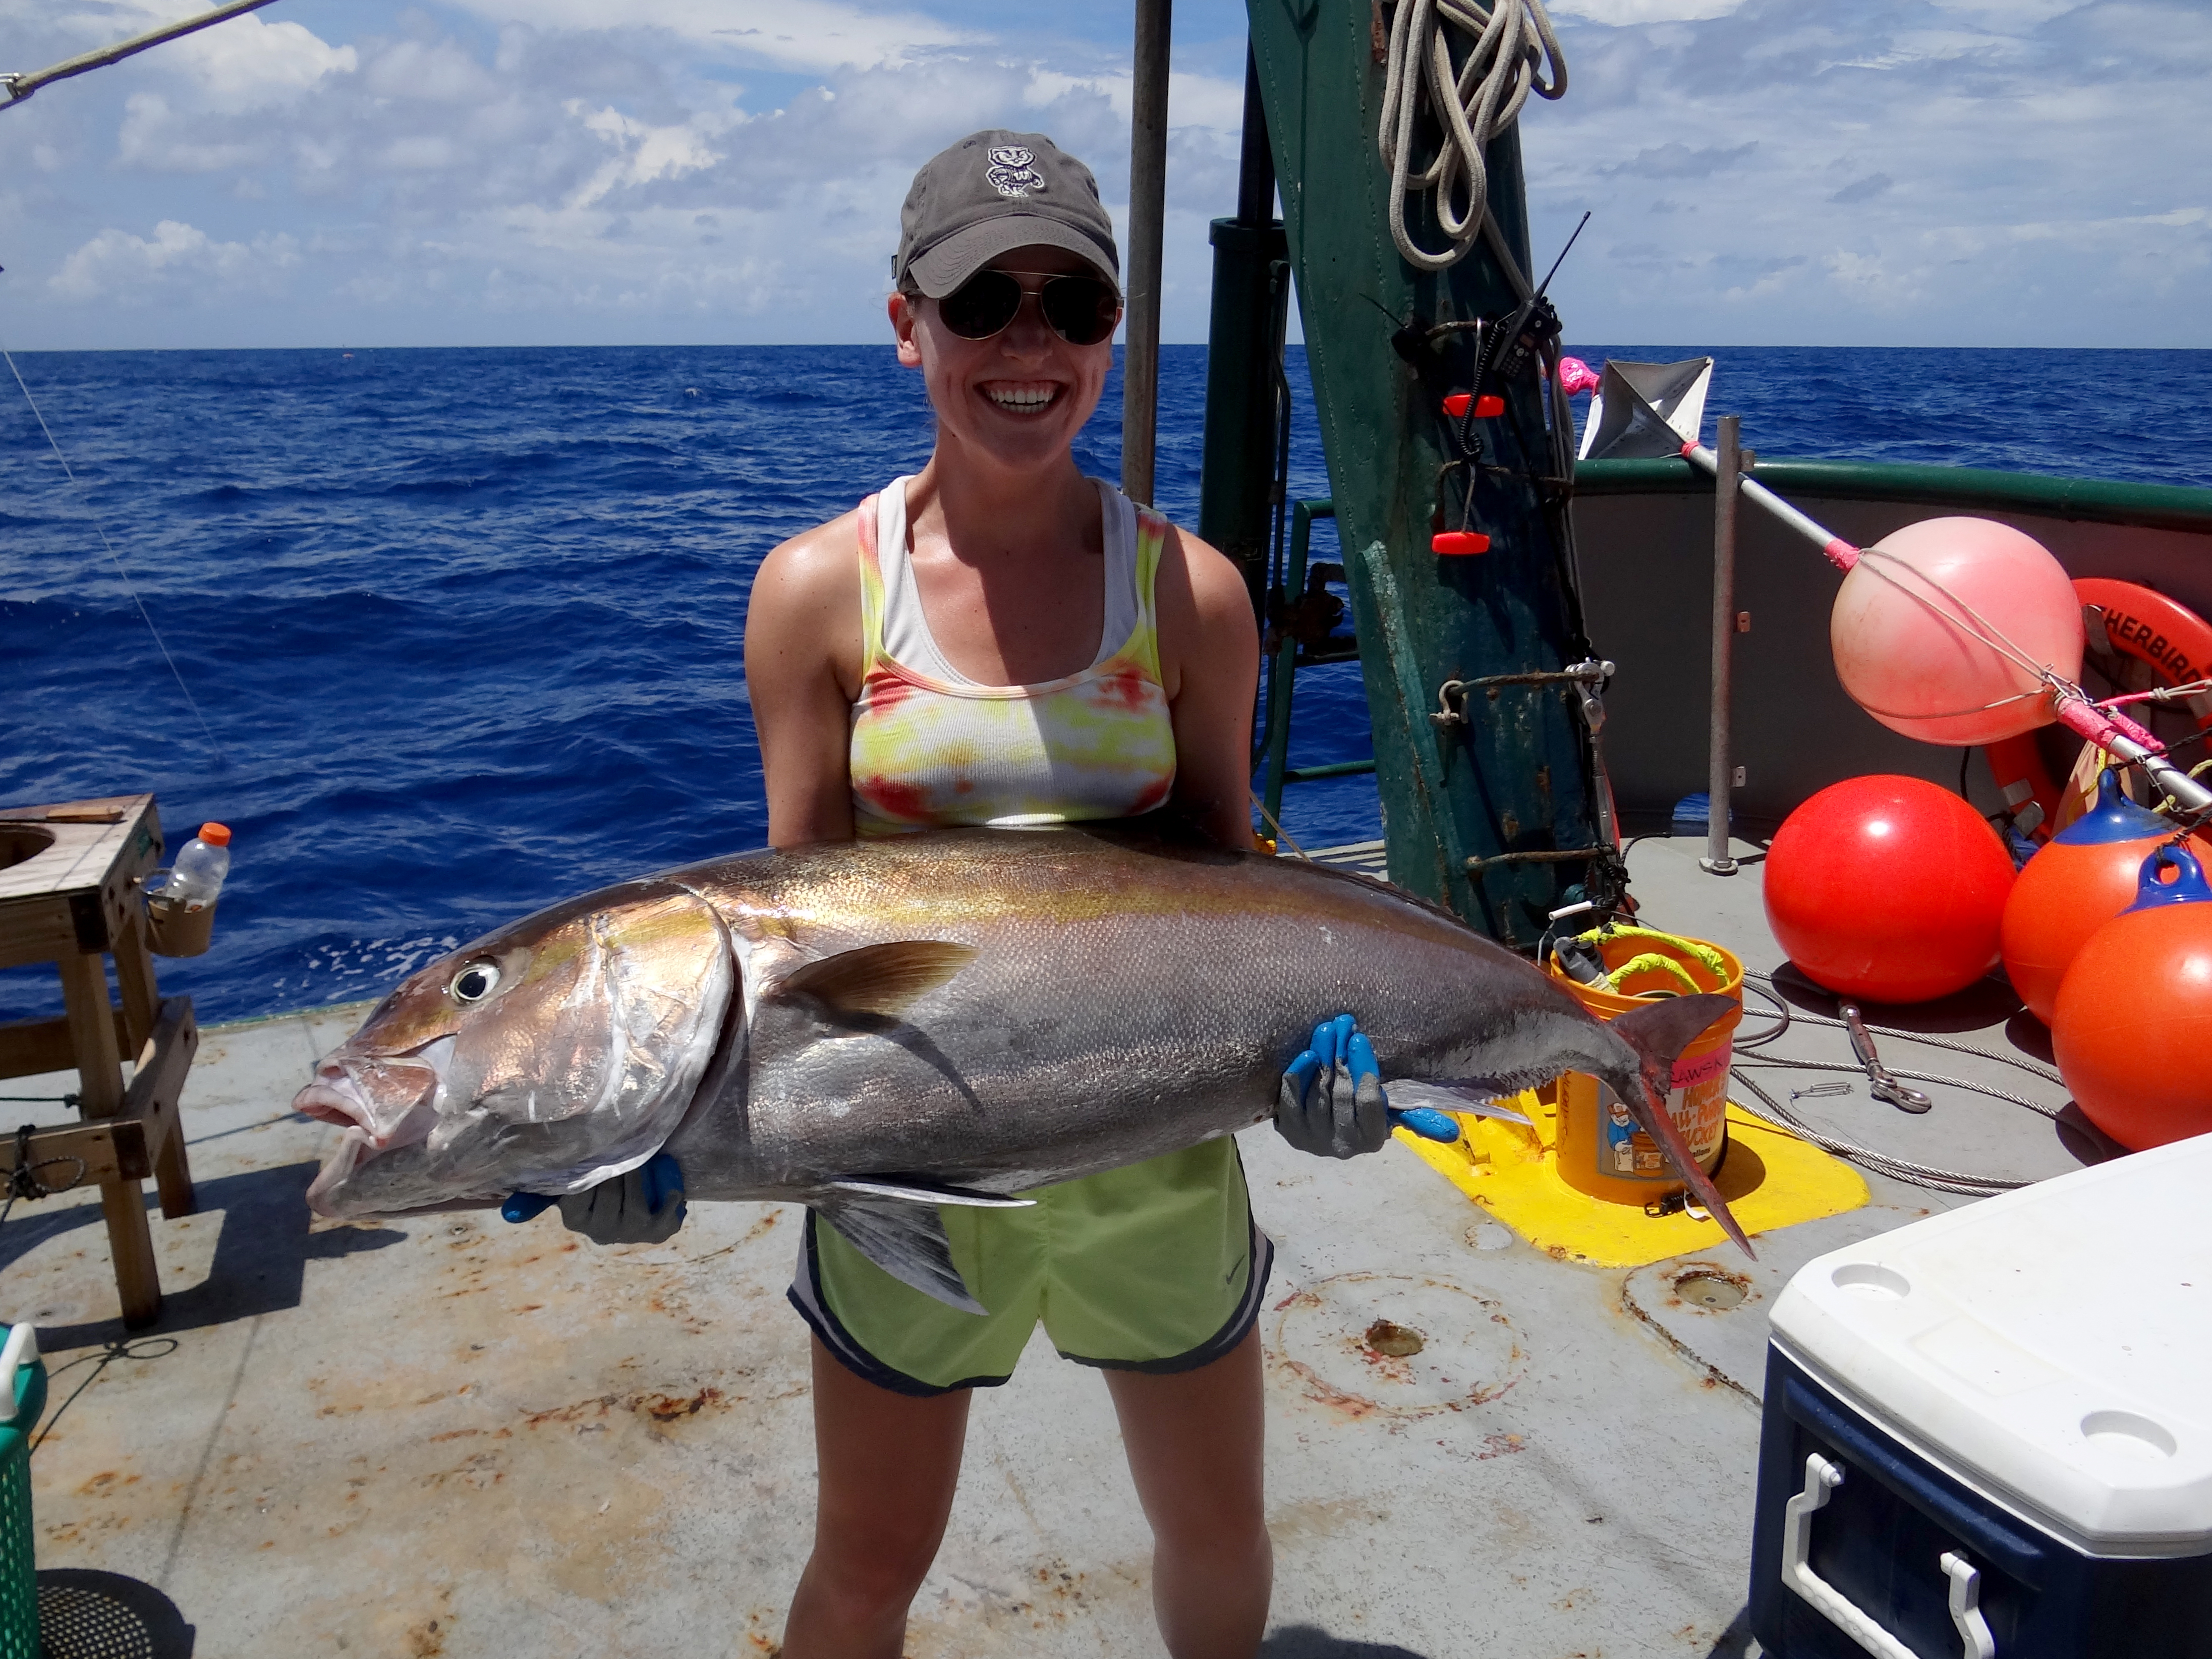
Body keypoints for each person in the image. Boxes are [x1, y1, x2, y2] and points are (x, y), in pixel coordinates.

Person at [540, 130, 1393, 1659]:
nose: (1027, 341)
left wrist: (1313, 1074)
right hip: (895, 1174)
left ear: (1110, 339)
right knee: (865, 1568)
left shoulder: (1187, 592)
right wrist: (643, 1131)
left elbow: (1232, 891)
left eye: (1070, 304)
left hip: (1158, 1161)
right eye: (980, 298)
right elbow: (785, 932)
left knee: (1214, 1530)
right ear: (903, 323)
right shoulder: (817, 589)